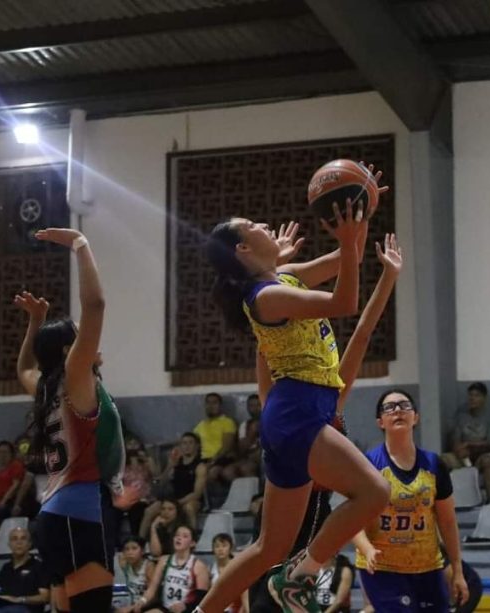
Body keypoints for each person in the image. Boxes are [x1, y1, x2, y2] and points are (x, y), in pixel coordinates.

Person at [194, 177, 394, 613]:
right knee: (374, 492)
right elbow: (345, 302)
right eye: (253, 225)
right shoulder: (268, 296)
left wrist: (359, 213)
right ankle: (302, 574)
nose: (265, 224)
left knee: (269, 547)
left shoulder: (281, 277)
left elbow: (347, 259)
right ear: (243, 249)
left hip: (293, 417)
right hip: (298, 411)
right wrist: (349, 237)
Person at [242, 225, 401, 613]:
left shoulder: (328, 404)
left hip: (307, 580)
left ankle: (300, 574)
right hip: (276, 567)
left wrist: (389, 276)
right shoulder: (282, 404)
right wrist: (273, 270)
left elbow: (361, 335)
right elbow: (267, 345)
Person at [13, 227, 126, 611]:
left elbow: (25, 367)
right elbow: (95, 305)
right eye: (79, 338)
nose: (90, 342)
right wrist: (80, 244)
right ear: (69, 350)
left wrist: (35, 322)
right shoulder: (75, 376)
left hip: (54, 517)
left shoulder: (45, 388)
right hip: (82, 512)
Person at [352, 389, 469, 612]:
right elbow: (351, 523)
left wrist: (457, 571)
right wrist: (367, 550)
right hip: (384, 569)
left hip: (428, 568)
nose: (397, 410)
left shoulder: (434, 465)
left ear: (415, 417)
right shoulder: (368, 466)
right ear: (380, 422)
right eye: (390, 407)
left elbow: (447, 522)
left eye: (404, 405)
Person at [440, 383, 490, 503]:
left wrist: (468, 444)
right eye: (470, 395)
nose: (472, 399)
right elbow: (455, 438)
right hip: (464, 455)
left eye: (477, 395)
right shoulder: (461, 416)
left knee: (488, 461)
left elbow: (489, 442)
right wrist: (457, 448)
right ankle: (444, 500)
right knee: (442, 460)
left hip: (483, 453)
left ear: (484, 398)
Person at [141, 434, 207, 535]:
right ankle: (140, 541)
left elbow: (197, 494)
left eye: (190, 443)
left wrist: (177, 503)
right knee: (150, 510)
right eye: (184, 443)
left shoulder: (200, 466)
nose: (187, 446)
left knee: (188, 508)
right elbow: (161, 482)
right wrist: (170, 465)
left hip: (192, 499)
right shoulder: (176, 463)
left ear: (197, 446)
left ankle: (192, 538)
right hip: (173, 499)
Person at [137, 525, 210, 612]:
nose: (179, 538)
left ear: (192, 543)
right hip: (166, 608)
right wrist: (142, 601)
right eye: (177, 535)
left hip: (187, 610)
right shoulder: (164, 560)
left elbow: (202, 597)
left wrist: (186, 606)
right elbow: (152, 588)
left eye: (184, 536)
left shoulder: (198, 566)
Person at [193, 393, 238, 485]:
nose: (211, 406)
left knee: (211, 473)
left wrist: (212, 462)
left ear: (220, 406)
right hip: (203, 460)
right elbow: (191, 443)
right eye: (208, 403)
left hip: (221, 459)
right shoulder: (200, 425)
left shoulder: (227, 422)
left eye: (214, 403)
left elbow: (227, 447)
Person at [219, 395, 263, 482]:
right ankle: (243, 494)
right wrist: (251, 432)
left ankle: (256, 494)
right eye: (252, 406)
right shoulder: (244, 425)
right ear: (247, 408)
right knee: (227, 472)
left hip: (265, 459)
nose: (255, 409)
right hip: (247, 458)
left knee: (246, 469)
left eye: (258, 405)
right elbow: (241, 449)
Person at [116, 536, 155, 613]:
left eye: (134, 548)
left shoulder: (149, 567)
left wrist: (133, 607)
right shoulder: (123, 564)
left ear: (142, 551)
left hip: (146, 606)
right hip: (129, 604)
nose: (130, 552)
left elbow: (154, 597)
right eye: (127, 549)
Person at [210, 533, 242, 613]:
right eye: (217, 546)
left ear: (230, 548)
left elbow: (244, 596)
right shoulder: (210, 571)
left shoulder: (237, 568)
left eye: (224, 546)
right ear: (213, 550)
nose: (220, 549)